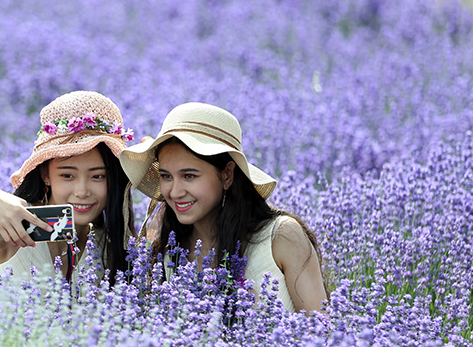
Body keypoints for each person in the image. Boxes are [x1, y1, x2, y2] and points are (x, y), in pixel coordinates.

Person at [120, 102, 328, 313]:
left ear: (227, 175)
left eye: (189, 176)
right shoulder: (169, 250)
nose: (175, 192)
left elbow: (323, 332)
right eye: (166, 176)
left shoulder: (281, 237)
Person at [0, 91, 134, 286]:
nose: (82, 191)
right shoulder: (23, 221)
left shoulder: (107, 245)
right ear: (46, 174)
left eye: (98, 176)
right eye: (67, 175)